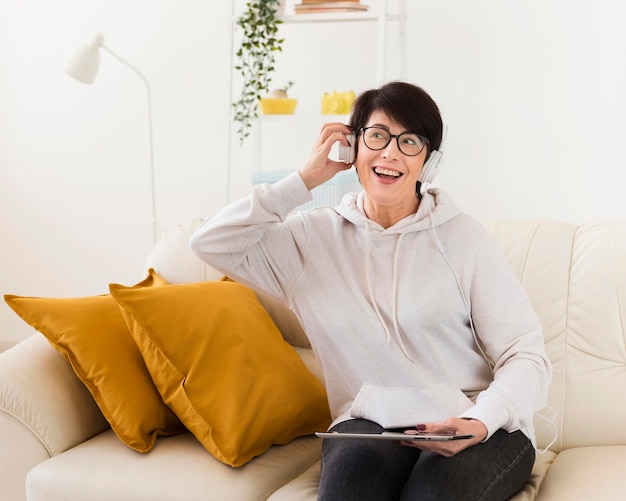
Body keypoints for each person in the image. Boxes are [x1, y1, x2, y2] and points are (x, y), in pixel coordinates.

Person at [189, 81, 552, 500]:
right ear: (352, 147)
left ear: (428, 163)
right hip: (369, 425)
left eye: (410, 141)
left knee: (432, 492)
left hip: (477, 424)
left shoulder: (465, 239)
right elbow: (208, 242)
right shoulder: (310, 240)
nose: (390, 152)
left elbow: (525, 355)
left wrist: (481, 419)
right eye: (377, 135)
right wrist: (304, 179)